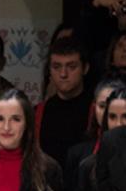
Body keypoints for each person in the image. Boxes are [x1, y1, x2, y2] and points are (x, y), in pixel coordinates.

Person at [36, 37, 93, 166]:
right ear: (49, 70)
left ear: (85, 68)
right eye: (56, 67)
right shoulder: (38, 112)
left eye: (71, 67)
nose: (63, 74)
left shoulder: (96, 110)